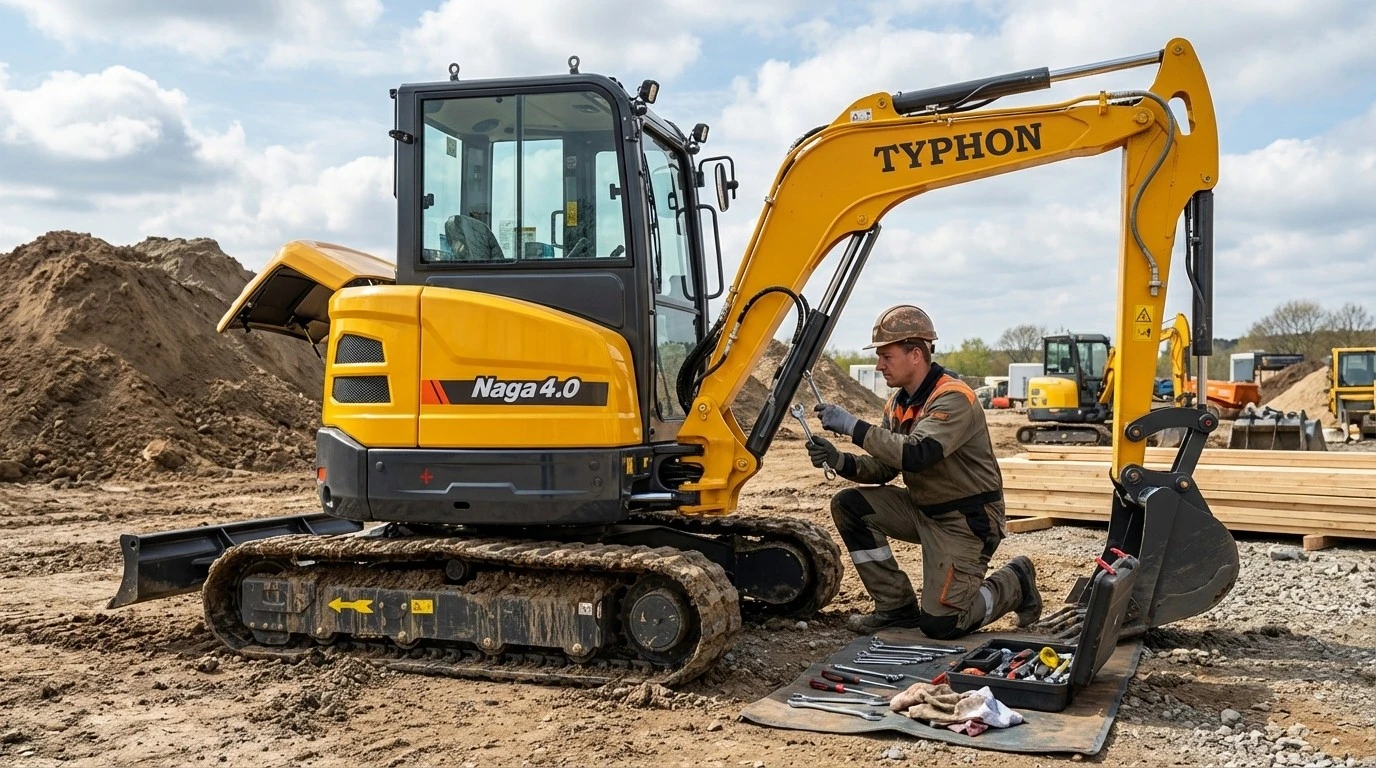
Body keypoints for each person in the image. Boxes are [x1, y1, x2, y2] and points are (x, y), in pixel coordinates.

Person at [808, 304, 1042, 636]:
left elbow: (919, 454)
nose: (879, 365)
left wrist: (852, 426)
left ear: (915, 355)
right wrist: (838, 460)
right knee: (850, 505)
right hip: (924, 509)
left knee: (943, 625)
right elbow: (886, 467)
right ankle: (894, 607)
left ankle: (1015, 581)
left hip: (966, 520)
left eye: (887, 356)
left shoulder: (953, 397)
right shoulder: (898, 402)